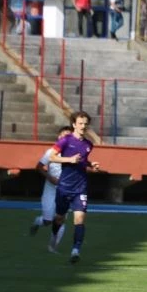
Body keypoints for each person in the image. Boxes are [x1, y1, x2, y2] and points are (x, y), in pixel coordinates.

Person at [49, 111, 100, 264]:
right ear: (74, 125)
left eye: (85, 124)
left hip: (80, 187)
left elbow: (83, 161)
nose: (83, 126)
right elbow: (52, 157)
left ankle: (75, 250)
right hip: (64, 187)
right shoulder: (65, 140)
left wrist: (91, 165)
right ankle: (53, 238)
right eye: (80, 123)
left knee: (79, 219)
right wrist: (69, 159)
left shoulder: (88, 144)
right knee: (59, 218)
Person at [29, 125, 73, 252]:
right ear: (59, 137)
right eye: (64, 135)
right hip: (50, 189)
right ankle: (37, 222)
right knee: (48, 220)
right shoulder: (51, 152)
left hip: (65, 190)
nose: (66, 138)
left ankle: (52, 247)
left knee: (60, 219)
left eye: (69, 136)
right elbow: (39, 167)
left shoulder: (74, 154)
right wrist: (50, 178)